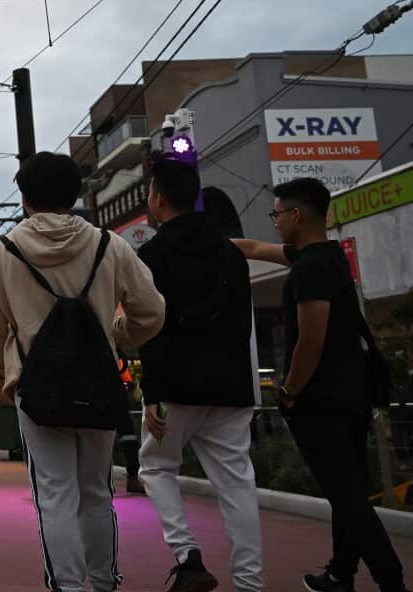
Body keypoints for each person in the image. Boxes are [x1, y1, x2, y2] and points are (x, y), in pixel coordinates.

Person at [0, 151, 164, 592]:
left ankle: (67, 585)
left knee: (55, 493)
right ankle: (104, 580)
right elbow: (152, 312)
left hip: (35, 387)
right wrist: (117, 333)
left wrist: (4, 378)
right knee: (96, 490)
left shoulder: (3, 253)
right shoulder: (109, 245)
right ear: (76, 194)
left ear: (24, 199)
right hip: (97, 380)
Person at [235, 178, 406, 592]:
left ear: (297, 215)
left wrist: (289, 391)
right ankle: (340, 574)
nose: (273, 222)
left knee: (345, 497)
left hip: (321, 400)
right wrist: (211, 243)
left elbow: (311, 340)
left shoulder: (310, 270)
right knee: (347, 490)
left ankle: (392, 582)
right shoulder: (325, 257)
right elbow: (256, 250)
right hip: (353, 393)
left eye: (276, 214)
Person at [133, 158, 263, 591]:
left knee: (155, 466)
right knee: (237, 483)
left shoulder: (150, 255)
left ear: (159, 199)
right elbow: (242, 324)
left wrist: (151, 391)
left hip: (176, 384)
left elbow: (153, 328)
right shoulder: (231, 254)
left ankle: (188, 555)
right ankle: (249, 582)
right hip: (231, 386)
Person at [116, 359, 145, 495]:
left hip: (117, 400)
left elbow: (127, 380)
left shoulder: (119, 357)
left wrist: (131, 386)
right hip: (101, 398)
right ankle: (103, 480)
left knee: (130, 439)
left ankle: (133, 478)